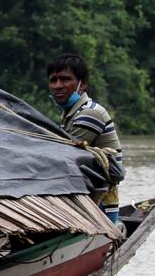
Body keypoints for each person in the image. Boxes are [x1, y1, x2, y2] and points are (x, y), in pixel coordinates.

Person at [46, 52, 125, 217]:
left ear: (82, 85)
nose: (58, 85)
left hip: (99, 205)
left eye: (65, 79)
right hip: (86, 200)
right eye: (53, 80)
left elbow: (62, 156)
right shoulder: (70, 114)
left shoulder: (89, 114)